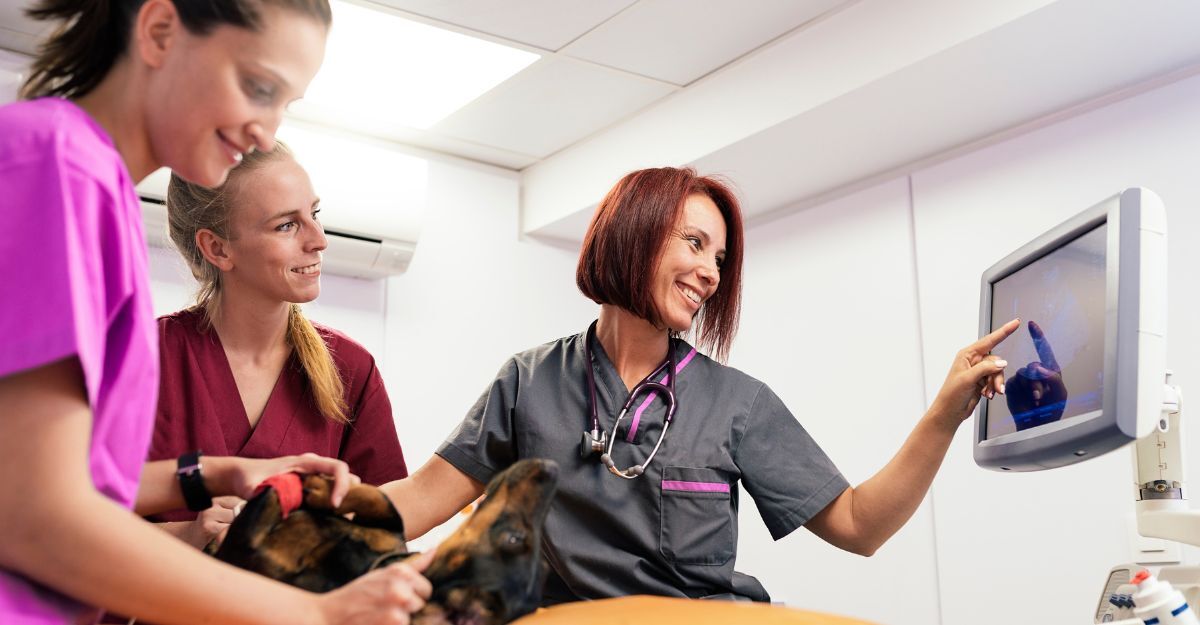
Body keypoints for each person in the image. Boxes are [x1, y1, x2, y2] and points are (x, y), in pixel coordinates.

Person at [380, 166, 1019, 604]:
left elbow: (859, 525)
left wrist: (942, 415)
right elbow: (413, 504)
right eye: (695, 242)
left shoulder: (737, 403)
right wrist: (306, 498)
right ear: (634, 232)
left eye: (720, 259)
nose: (711, 273)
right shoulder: (528, 383)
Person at [0, 1, 432, 624]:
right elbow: (34, 515)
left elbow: (86, 484)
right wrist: (318, 616)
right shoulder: (58, 166)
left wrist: (222, 472)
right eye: (258, 87)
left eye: (285, 102)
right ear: (159, 32)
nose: (265, 129)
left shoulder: (97, 189)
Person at [149, 142, 408, 547]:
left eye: (315, 214)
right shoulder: (144, 358)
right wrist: (188, 534)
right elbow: (65, 520)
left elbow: (382, 532)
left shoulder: (352, 370)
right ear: (218, 248)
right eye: (287, 225)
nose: (319, 239)